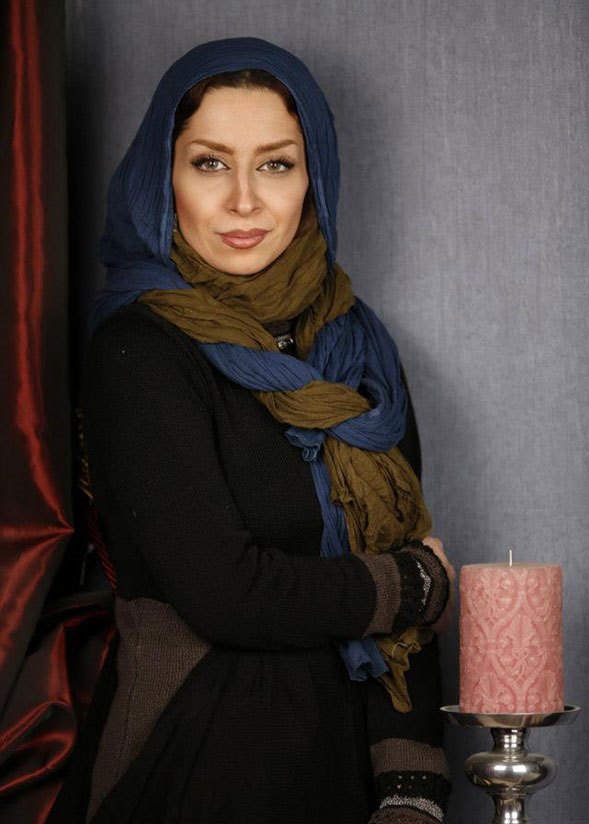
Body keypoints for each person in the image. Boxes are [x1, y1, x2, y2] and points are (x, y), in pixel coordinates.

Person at [49, 37, 455, 824]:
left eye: (275, 164)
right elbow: (226, 593)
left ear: (314, 178)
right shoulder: (139, 349)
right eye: (209, 163)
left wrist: (410, 787)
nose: (243, 201)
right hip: (192, 751)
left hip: (344, 765)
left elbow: (404, 578)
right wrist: (410, 585)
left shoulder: (357, 348)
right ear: (162, 177)